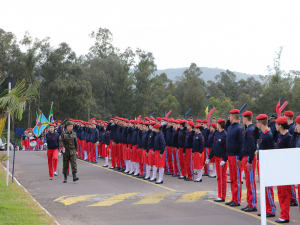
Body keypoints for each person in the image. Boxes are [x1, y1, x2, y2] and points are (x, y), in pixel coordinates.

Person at [256, 114, 276, 218]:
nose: (256, 124)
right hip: (261, 162)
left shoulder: (268, 135)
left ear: (261, 122)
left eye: (257, 122)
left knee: (267, 188)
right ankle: (266, 208)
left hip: (266, 163)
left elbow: (271, 151)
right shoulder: (262, 134)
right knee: (263, 188)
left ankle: (271, 209)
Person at [274, 116, 292, 223]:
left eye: (276, 124)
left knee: (284, 193)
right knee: (280, 193)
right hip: (279, 167)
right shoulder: (280, 135)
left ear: (280, 125)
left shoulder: (288, 137)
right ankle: (282, 214)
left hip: (285, 169)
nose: (275, 126)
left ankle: (285, 215)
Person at [225, 109, 243, 207]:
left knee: (236, 179)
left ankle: (237, 200)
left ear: (233, 116)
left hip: (236, 156)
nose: (229, 117)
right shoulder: (231, 126)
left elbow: (241, 144)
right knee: (232, 178)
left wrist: (240, 158)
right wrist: (228, 121)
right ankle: (233, 198)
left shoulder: (239, 128)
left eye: (230, 116)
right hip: (230, 155)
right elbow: (226, 127)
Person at [240, 111, 257, 212]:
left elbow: (252, 147)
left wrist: (249, 161)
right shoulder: (249, 129)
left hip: (249, 157)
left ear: (246, 119)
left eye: (243, 118)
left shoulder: (250, 130)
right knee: (248, 182)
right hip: (246, 157)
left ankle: (253, 204)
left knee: (250, 182)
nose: (242, 120)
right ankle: (250, 203)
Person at [207, 118, 227, 202]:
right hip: (217, 157)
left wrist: (225, 159)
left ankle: (222, 196)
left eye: (218, 123)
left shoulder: (224, 135)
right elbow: (214, 146)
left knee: (222, 178)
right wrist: (209, 157)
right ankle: (220, 194)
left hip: (222, 158)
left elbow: (227, 148)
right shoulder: (216, 134)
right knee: (219, 177)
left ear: (220, 124)